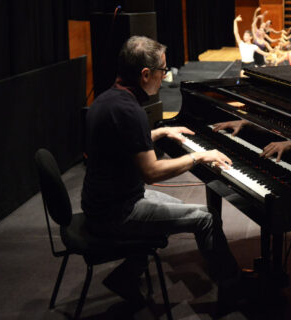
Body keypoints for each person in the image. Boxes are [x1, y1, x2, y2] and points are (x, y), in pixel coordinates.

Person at [82, 36, 243, 307]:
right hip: (118, 212)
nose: (164, 76)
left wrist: (160, 131)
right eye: (162, 71)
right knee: (206, 218)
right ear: (145, 74)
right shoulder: (129, 111)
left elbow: (126, 143)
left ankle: (127, 275)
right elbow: (152, 172)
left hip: (101, 203)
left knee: (178, 208)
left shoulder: (108, 99)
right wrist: (199, 156)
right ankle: (234, 291)